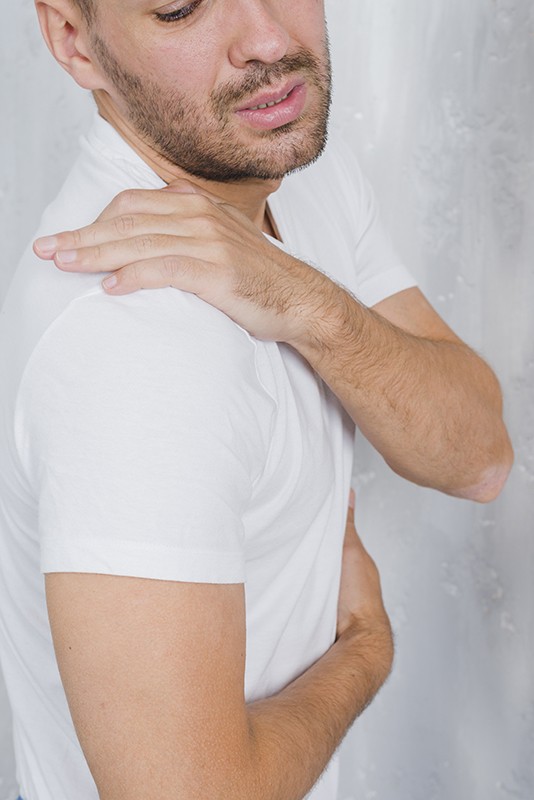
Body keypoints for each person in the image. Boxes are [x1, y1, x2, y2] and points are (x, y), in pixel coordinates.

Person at [0, 1, 513, 799]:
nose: (270, 40)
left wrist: (307, 301)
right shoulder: (130, 345)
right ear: (75, 41)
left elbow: (479, 456)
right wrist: (364, 652)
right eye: (179, 7)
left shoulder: (289, 169)